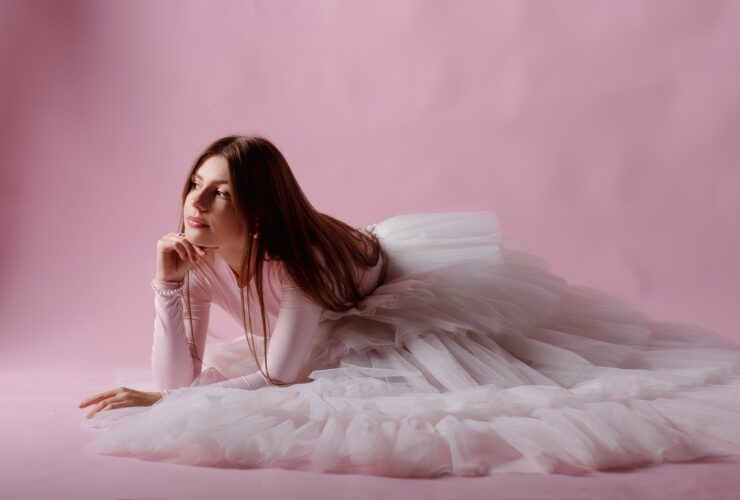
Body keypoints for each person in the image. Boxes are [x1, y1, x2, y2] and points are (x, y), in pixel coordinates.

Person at [79, 135, 740, 477]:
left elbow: (281, 376)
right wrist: (167, 287)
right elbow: (178, 378)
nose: (196, 203)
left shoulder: (298, 265)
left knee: (514, 369)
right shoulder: (193, 259)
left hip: (381, 273)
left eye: (220, 192)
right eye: (196, 183)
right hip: (310, 280)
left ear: (258, 208)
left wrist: (168, 402)